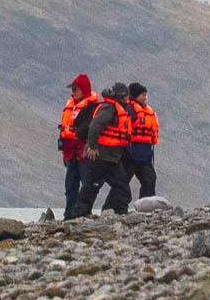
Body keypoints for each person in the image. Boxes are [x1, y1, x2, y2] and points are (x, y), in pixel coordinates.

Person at [72, 84, 134, 217]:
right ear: (120, 96)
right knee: (92, 186)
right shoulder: (109, 108)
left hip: (112, 157)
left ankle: (118, 213)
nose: (128, 99)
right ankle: (79, 215)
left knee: (122, 187)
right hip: (101, 155)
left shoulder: (118, 109)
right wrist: (93, 147)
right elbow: (95, 126)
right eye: (126, 96)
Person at [57, 75, 96, 218]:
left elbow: (92, 129)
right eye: (72, 89)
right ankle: (70, 213)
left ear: (84, 89)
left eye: (75, 89)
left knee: (86, 183)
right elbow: (64, 128)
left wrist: (90, 146)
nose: (73, 92)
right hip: (70, 150)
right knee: (70, 184)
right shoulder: (70, 105)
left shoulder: (92, 106)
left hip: (84, 150)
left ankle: (84, 211)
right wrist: (63, 151)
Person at [123, 83, 159, 199]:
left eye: (145, 95)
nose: (145, 97)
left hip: (145, 155)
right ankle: (114, 208)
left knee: (149, 179)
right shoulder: (129, 109)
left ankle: (146, 207)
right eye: (142, 95)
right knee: (121, 183)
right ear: (135, 95)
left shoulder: (147, 111)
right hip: (130, 155)